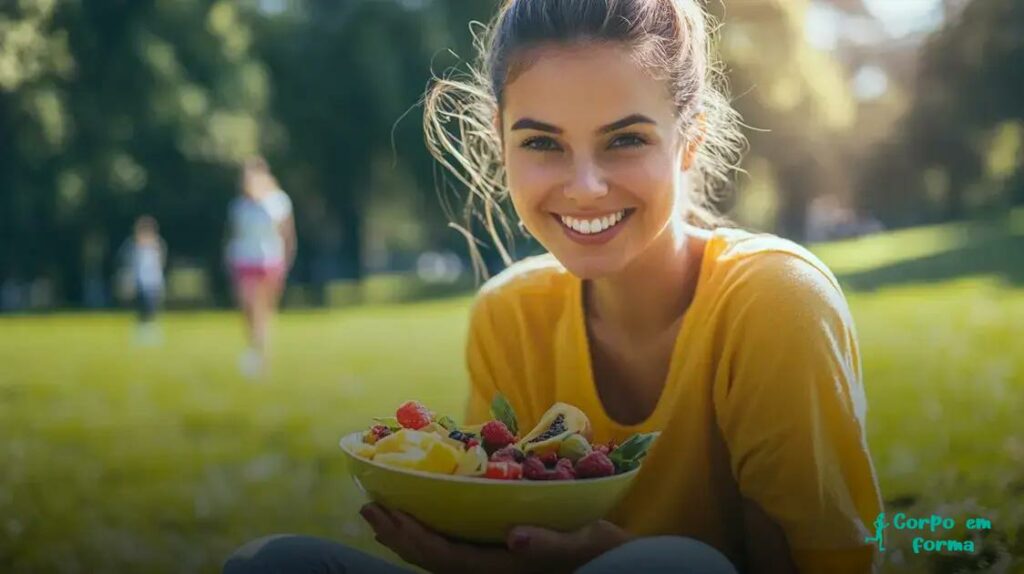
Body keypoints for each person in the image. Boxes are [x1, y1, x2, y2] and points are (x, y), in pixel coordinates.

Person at [225, 1, 882, 572]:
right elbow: (497, 529)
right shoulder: (508, 313)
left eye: (625, 139)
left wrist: (604, 560)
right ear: (500, 143)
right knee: (271, 563)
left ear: (689, 141)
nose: (586, 186)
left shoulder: (774, 300)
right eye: (543, 143)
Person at [225, 156, 296, 378]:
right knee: (248, 309)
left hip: (269, 261)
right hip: (243, 260)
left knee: (263, 311)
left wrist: (286, 260)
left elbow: (287, 235)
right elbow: (232, 235)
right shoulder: (238, 206)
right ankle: (254, 350)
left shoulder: (278, 202)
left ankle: (262, 357)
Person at [119, 215, 167, 346]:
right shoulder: (134, 247)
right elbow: (130, 265)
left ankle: (151, 335)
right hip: (141, 283)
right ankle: (141, 335)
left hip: (153, 283)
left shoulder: (157, 245)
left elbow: (160, 263)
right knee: (142, 310)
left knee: (153, 309)